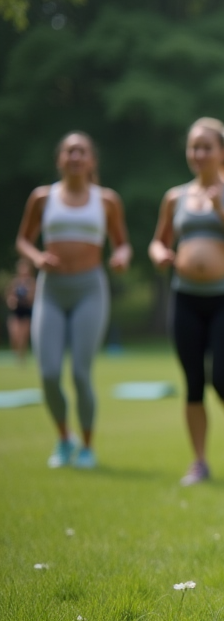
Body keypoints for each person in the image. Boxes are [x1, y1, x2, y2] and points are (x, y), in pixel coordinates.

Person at [149, 118, 224, 486]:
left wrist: (221, 211)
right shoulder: (174, 197)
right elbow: (159, 240)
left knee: (222, 379)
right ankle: (199, 462)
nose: (198, 154)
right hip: (185, 298)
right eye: (193, 147)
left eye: (206, 147)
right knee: (194, 381)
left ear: (223, 152)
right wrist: (159, 254)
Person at [14, 132, 132, 468]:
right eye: (69, 152)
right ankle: (65, 438)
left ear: (92, 160)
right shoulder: (42, 198)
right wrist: (36, 258)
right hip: (51, 290)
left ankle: (88, 447)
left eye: (81, 152)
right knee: (49, 372)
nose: (75, 157)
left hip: (89, 290)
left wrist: (121, 256)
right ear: (60, 160)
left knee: (81, 373)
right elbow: (23, 240)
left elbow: (121, 242)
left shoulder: (106, 200)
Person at [5, 258, 36, 365]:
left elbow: (33, 298)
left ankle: (21, 359)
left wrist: (27, 298)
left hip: (26, 312)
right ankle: (17, 356)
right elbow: (10, 296)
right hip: (16, 313)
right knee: (14, 336)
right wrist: (11, 301)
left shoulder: (31, 283)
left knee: (23, 336)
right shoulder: (15, 282)